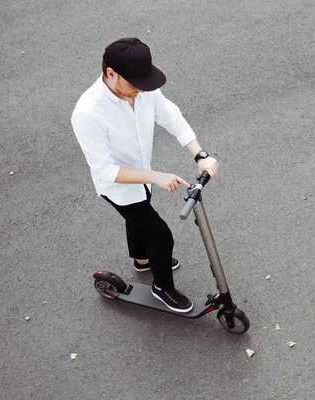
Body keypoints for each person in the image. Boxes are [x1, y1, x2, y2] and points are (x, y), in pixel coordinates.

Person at [71, 38, 218, 313]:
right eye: (134, 84)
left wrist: (200, 154)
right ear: (110, 73)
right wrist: (154, 176)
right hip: (116, 186)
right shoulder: (87, 113)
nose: (140, 90)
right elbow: (105, 169)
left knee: (139, 215)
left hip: (141, 173)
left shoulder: (141, 88)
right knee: (161, 237)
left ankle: (142, 261)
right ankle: (163, 289)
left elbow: (170, 115)